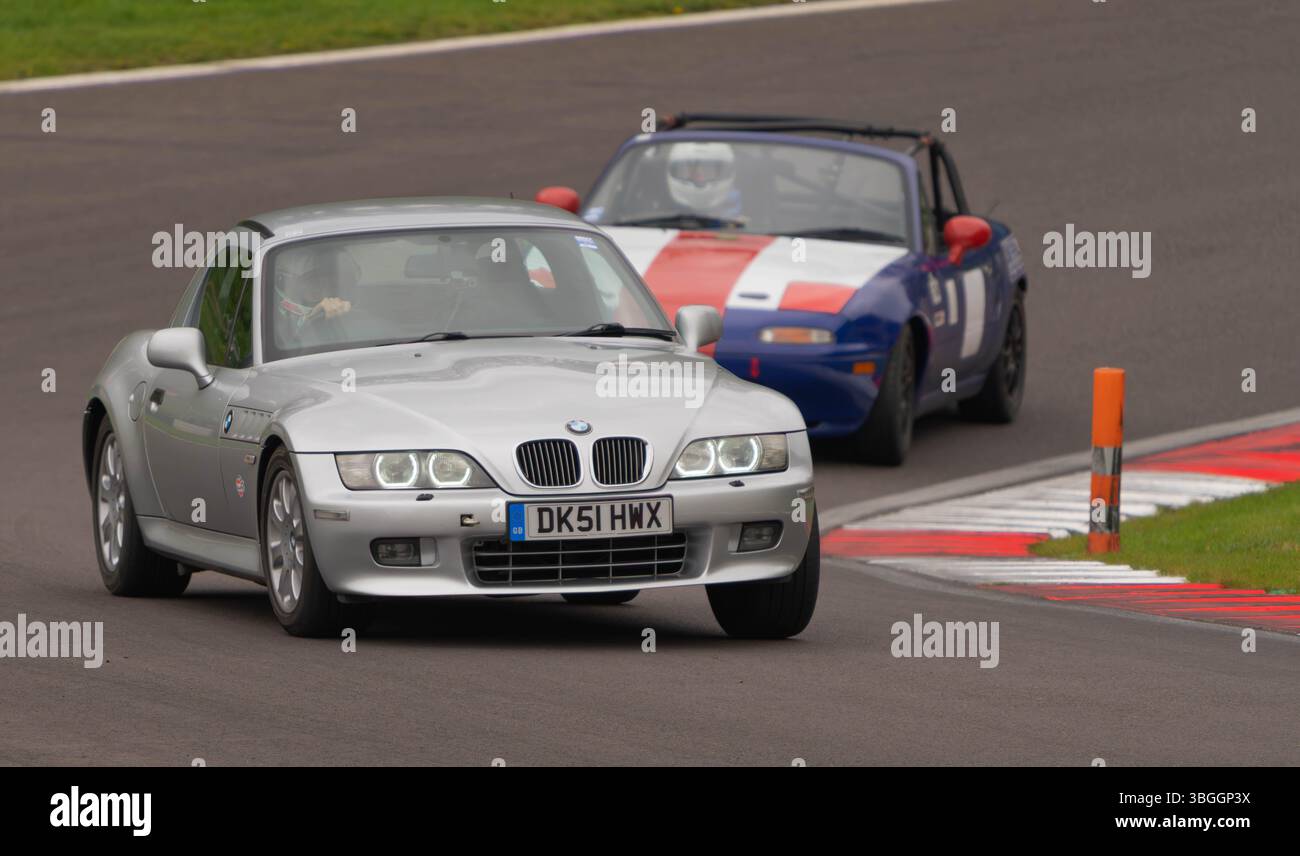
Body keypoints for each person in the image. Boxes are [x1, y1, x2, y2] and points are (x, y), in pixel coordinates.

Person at [665, 141, 743, 219]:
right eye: (689, 170)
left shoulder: (736, 213)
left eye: (708, 170)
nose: (699, 178)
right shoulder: (660, 213)